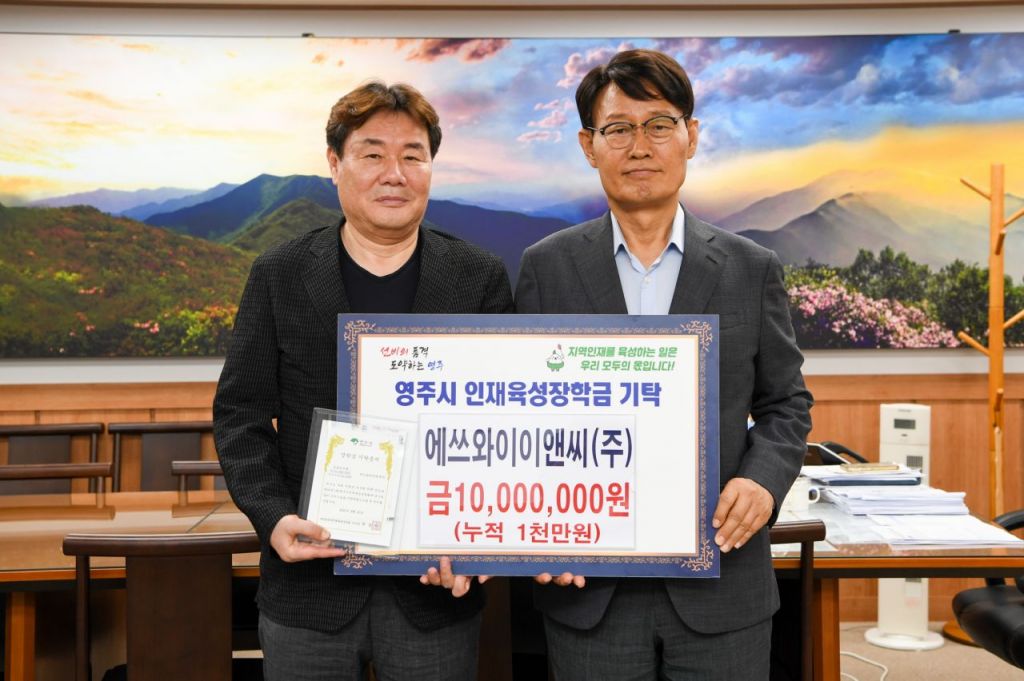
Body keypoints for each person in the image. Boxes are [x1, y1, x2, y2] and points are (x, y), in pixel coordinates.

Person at [515, 49, 813, 680]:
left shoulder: (751, 268)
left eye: (658, 125)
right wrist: (534, 529)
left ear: (691, 136)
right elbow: (522, 415)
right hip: (587, 586)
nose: (640, 146)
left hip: (721, 580)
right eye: (618, 129)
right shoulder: (546, 267)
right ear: (589, 146)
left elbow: (786, 403)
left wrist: (762, 481)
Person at [214, 80, 513, 681]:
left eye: (413, 156)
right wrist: (273, 518)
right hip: (309, 589)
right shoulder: (279, 274)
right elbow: (240, 414)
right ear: (335, 163)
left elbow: (507, 424)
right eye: (372, 154)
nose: (394, 174)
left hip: (435, 590)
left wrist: (484, 540)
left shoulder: (478, 278)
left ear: (431, 167)